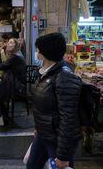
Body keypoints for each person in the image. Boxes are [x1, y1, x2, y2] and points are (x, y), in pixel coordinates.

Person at [27, 33, 82, 169]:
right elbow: (44, 107)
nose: (37, 53)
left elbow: (68, 119)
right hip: (43, 134)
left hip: (57, 140)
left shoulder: (64, 77)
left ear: (45, 53)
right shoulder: (47, 73)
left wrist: (63, 156)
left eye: (38, 50)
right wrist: (38, 128)